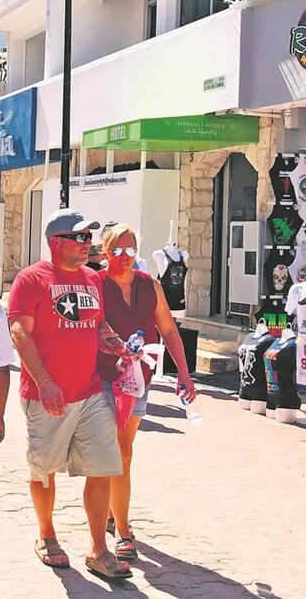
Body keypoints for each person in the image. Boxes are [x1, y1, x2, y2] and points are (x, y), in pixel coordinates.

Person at [6, 208, 132, 580]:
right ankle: (47, 535)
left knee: (105, 467)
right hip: (47, 394)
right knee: (43, 470)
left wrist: (108, 340)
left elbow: (94, 322)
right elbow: (19, 333)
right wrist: (44, 381)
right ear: (56, 242)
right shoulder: (31, 279)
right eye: (79, 238)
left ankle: (98, 549)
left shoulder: (93, 279)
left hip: (90, 390)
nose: (86, 244)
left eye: (88, 238)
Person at [98, 223, 196, 561]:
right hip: (105, 378)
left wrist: (184, 373)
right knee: (119, 449)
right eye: (117, 250)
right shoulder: (95, 284)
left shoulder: (149, 285)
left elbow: (167, 328)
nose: (124, 257)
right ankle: (123, 530)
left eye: (129, 250)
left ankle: (113, 510)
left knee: (125, 448)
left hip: (139, 379)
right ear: (104, 252)